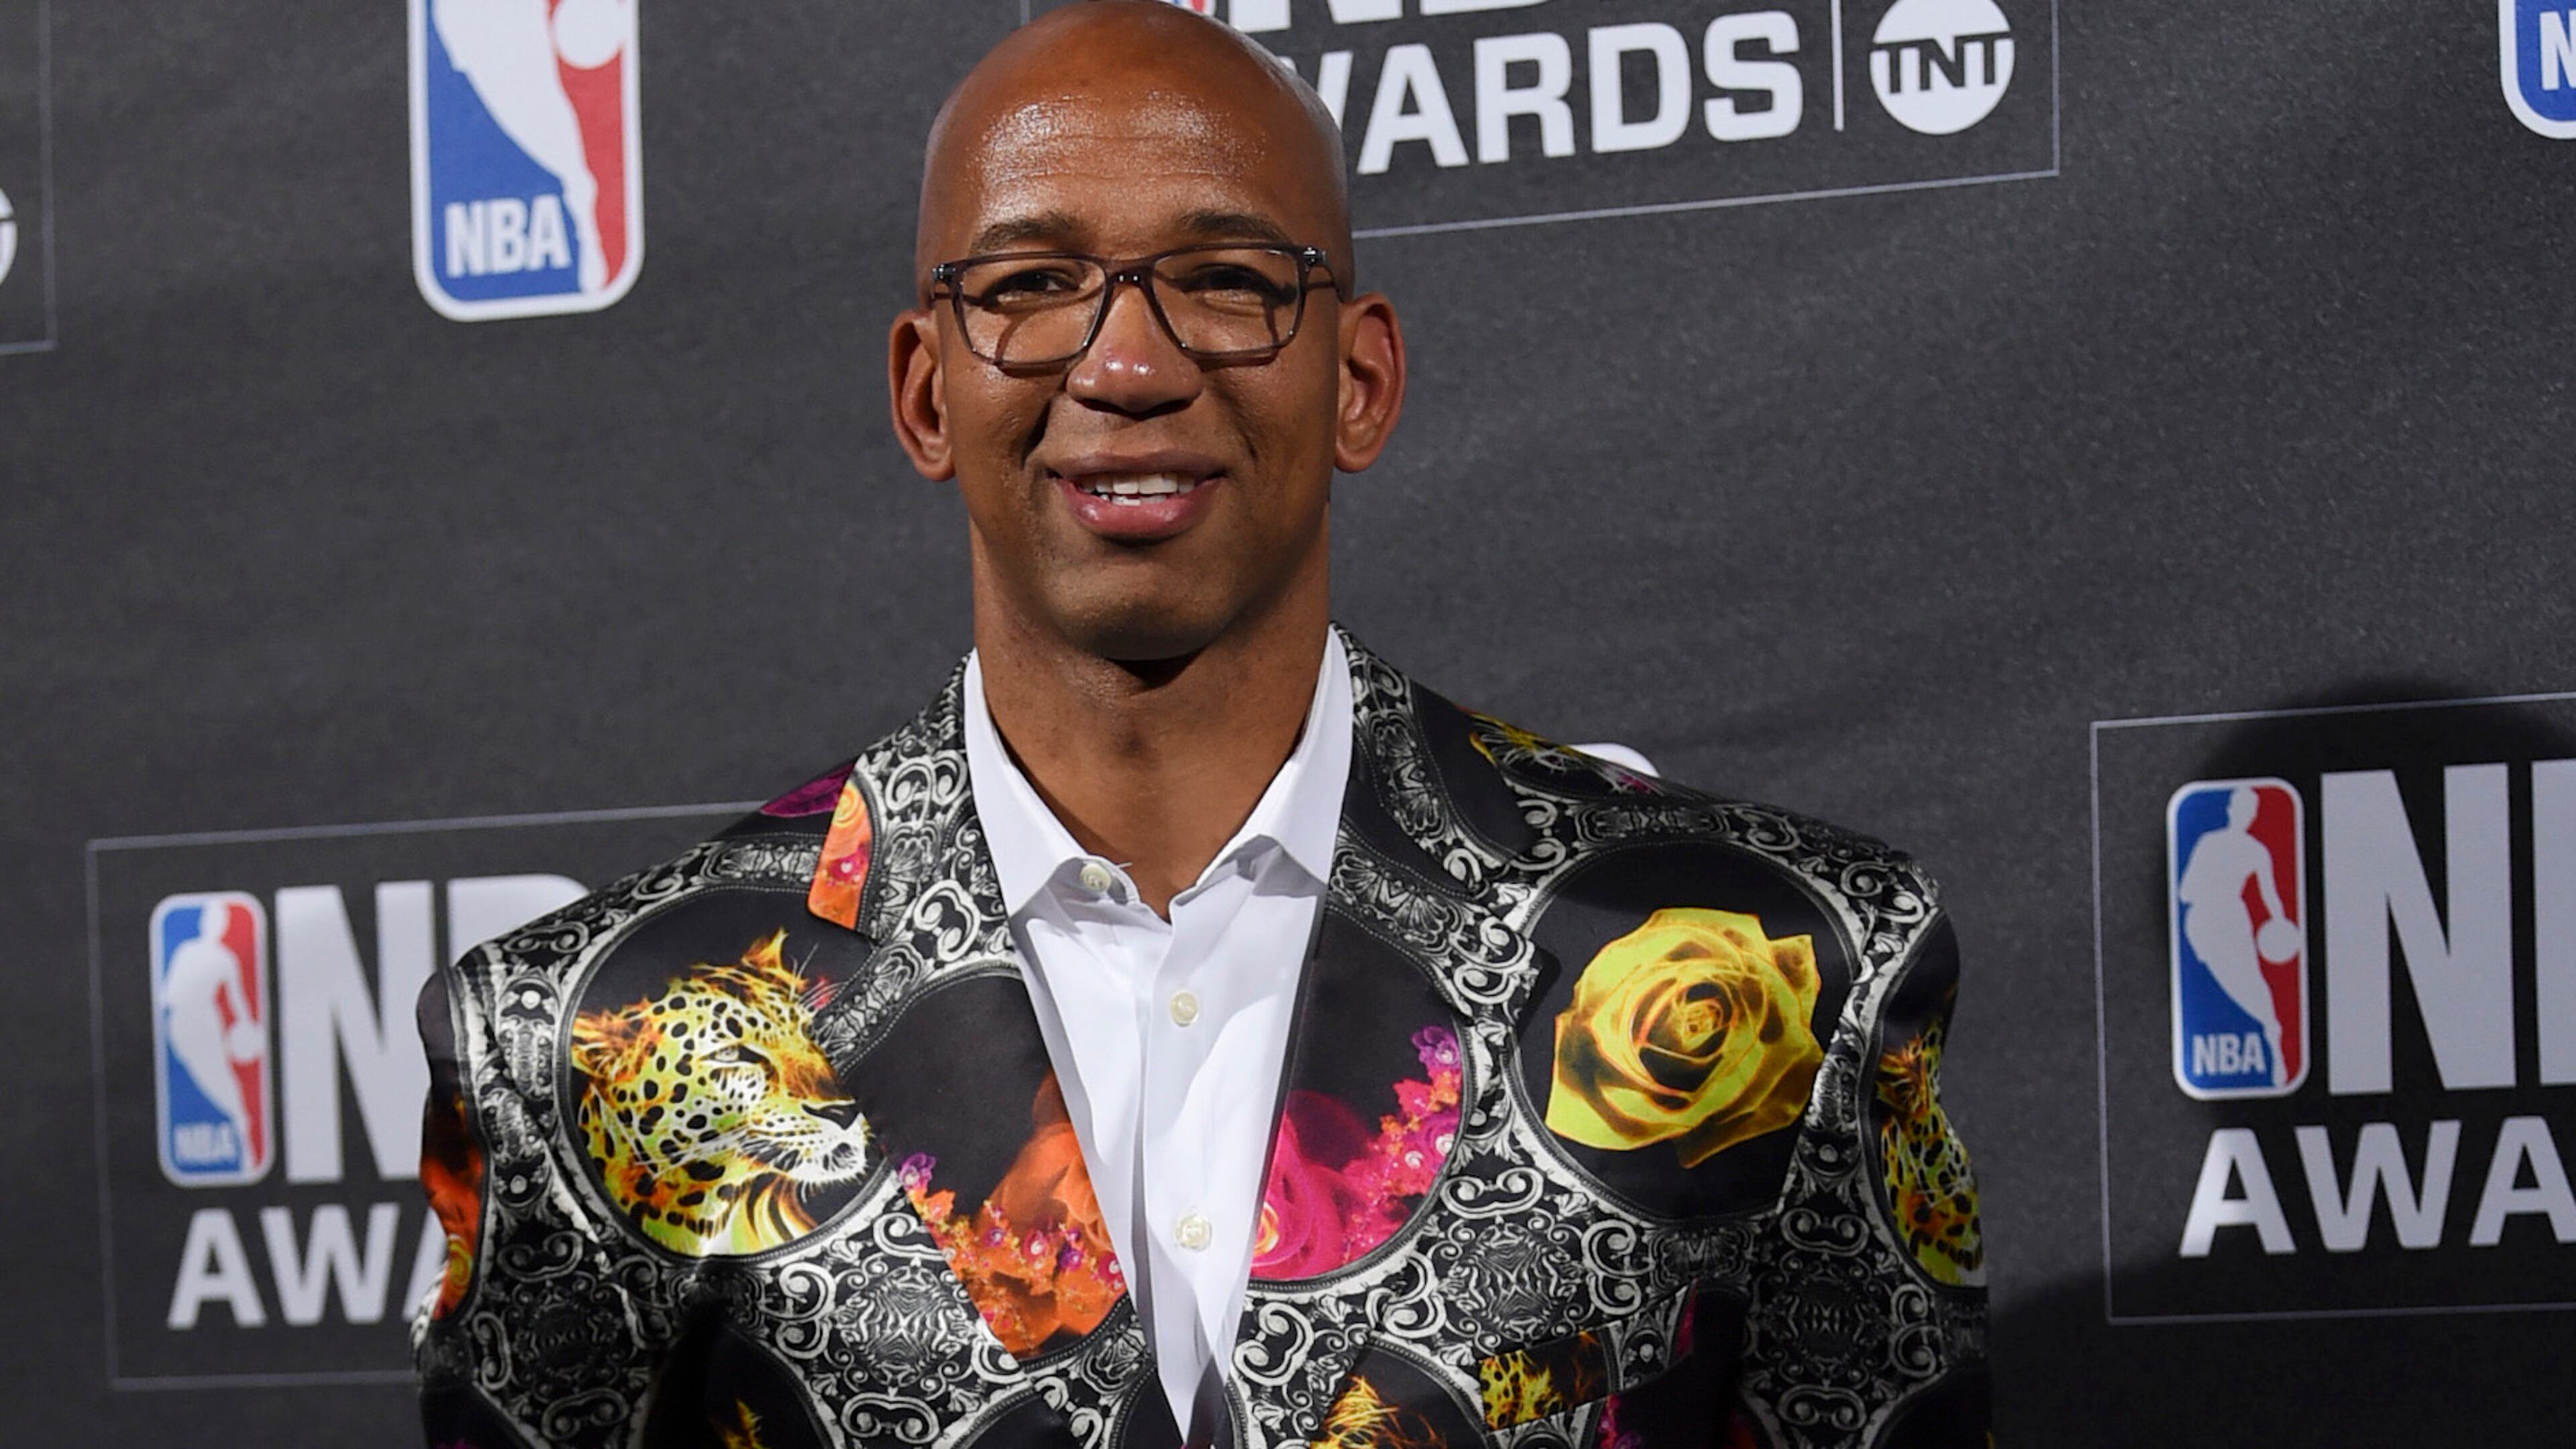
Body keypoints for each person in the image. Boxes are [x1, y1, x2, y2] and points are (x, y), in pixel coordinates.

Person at [411, 6, 1987, 1446]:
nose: (1130, 363)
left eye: (1229, 282)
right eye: (1031, 287)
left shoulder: (1784, 969)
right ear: (923, 394)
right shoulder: (581, 1047)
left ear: (1360, 379)